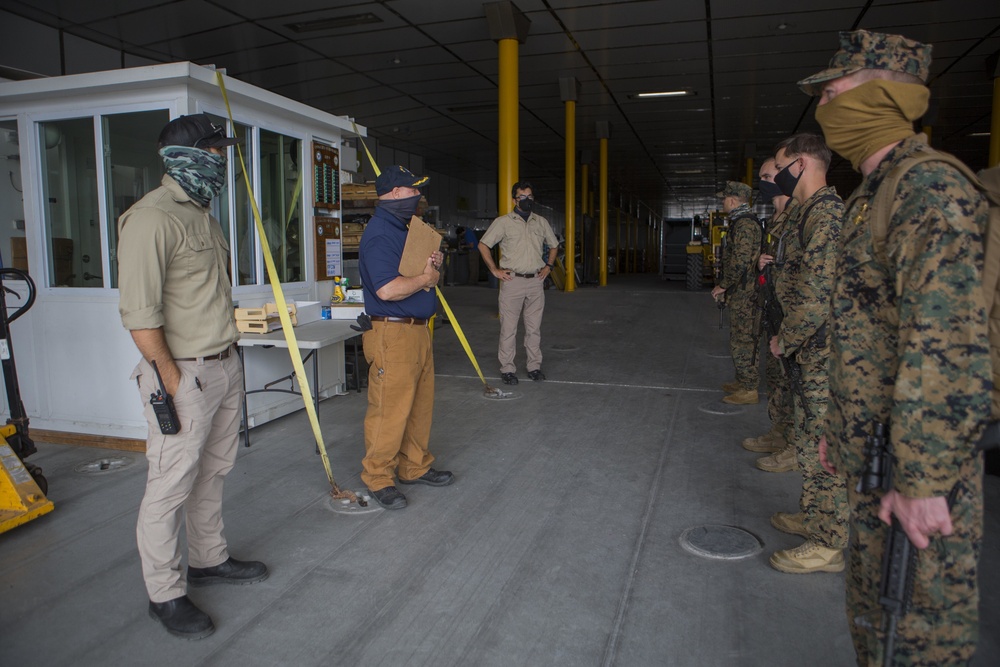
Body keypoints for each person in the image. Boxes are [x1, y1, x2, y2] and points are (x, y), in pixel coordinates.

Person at [802, 30, 991, 664]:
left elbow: (949, 347)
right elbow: (867, 333)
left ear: (887, 94)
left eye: (835, 90)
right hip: (878, 456)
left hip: (915, 476)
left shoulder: (928, 191)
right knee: (873, 625)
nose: (825, 105)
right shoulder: (873, 194)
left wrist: (925, 479)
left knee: (912, 640)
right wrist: (840, 425)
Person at [117, 114, 267, 640]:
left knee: (213, 471)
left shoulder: (203, 212)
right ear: (185, 155)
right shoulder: (151, 218)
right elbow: (140, 315)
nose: (222, 159)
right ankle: (165, 593)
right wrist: (171, 379)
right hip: (183, 376)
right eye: (214, 150)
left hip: (224, 365)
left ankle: (208, 559)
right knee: (170, 484)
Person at [762, 133, 849, 574]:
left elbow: (817, 293)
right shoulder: (807, 214)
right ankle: (815, 517)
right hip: (807, 347)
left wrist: (787, 337)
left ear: (799, 164)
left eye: (779, 167)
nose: (775, 177)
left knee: (823, 443)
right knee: (811, 434)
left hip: (819, 348)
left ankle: (828, 542)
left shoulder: (827, 216)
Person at [358, 165, 454, 510]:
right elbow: (388, 289)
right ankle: (378, 477)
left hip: (416, 332)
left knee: (418, 406)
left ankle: (413, 466)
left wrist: (432, 267)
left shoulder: (405, 229)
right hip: (394, 333)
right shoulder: (381, 234)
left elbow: (418, 275)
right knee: (389, 409)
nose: (419, 196)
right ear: (396, 193)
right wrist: (426, 279)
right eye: (414, 190)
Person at [478, 181, 559, 385]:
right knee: (508, 328)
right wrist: (494, 270)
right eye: (522, 197)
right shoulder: (503, 222)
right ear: (514, 199)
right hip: (512, 281)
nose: (527, 200)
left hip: (535, 282)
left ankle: (534, 367)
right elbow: (483, 245)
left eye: (530, 197)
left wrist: (548, 266)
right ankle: (507, 369)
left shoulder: (540, 222)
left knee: (533, 328)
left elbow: (554, 245)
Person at [742, 158, 795, 459]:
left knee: (792, 382)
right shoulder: (774, 219)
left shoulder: (799, 215)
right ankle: (778, 433)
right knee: (776, 380)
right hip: (774, 309)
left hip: (793, 316)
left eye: (767, 176)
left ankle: (793, 445)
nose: (762, 182)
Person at [710, 181, 761, 405]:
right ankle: (742, 380)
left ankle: (749, 388)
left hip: (745, 292)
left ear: (732, 200)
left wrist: (724, 285)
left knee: (743, 341)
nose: (722, 202)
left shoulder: (744, 224)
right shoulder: (741, 222)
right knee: (739, 339)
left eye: (724, 198)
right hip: (743, 290)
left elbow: (740, 262)